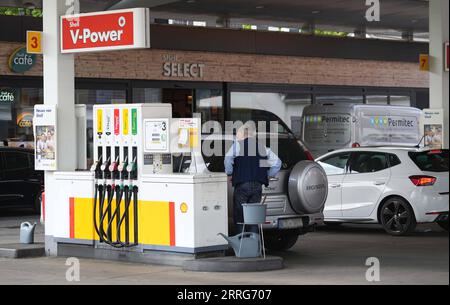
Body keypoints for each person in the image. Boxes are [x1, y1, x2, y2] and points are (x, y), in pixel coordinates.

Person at [224, 122, 282, 234]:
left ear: (242, 134)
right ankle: (254, 246)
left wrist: (230, 173)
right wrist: (268, 175)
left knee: (240, 217)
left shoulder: (238, 145)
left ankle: (242, 245)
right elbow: (277, 163)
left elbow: (228, 159)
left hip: (242, 185)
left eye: (237, 135)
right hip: (257, 186)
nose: (237, 137)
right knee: (253, 218)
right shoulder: (262, 148)